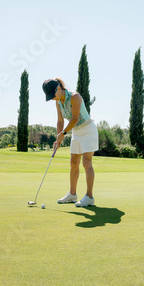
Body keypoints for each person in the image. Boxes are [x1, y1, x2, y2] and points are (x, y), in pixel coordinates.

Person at [42, 78, 98, 207]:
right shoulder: (58, 102)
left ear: (59, 89)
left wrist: (63, 134)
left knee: (86, 162)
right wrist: (58, 138)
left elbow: (75, 118)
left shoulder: (75, 97)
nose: (52, 98)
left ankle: (89, 197)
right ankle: (72, 194)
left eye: (53, 95)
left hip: (88, 130)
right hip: (76, 132)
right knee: (73, 162)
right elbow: (60, 121)